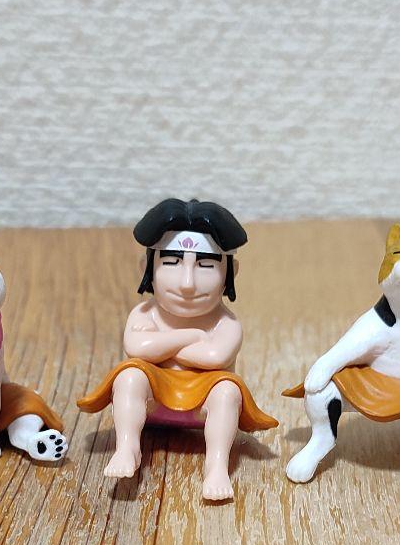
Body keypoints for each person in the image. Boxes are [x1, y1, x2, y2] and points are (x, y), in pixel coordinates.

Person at [77, 198, 277, 500]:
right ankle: (128, 447)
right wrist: (192, 336)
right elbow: (136, 348)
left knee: (226, 391)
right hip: (153, 401)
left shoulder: (227, 323)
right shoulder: (144, 313)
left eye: (206, 265)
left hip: (202, 407)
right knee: (129, 376)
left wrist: (161, 347)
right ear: (147, 266)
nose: (187, 283)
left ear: (231, 272)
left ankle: (216, 466)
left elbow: (215, 357)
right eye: (171, 262)